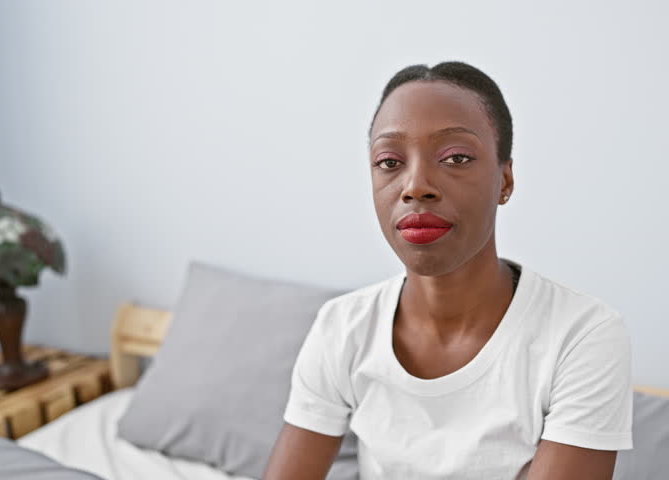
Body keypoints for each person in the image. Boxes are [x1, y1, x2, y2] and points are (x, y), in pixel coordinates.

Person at [263, 61, 633, 480]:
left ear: (505, 180)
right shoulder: (343, 326)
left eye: (456, 157)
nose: (415, 185)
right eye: (389, 162)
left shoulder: (581, 335)